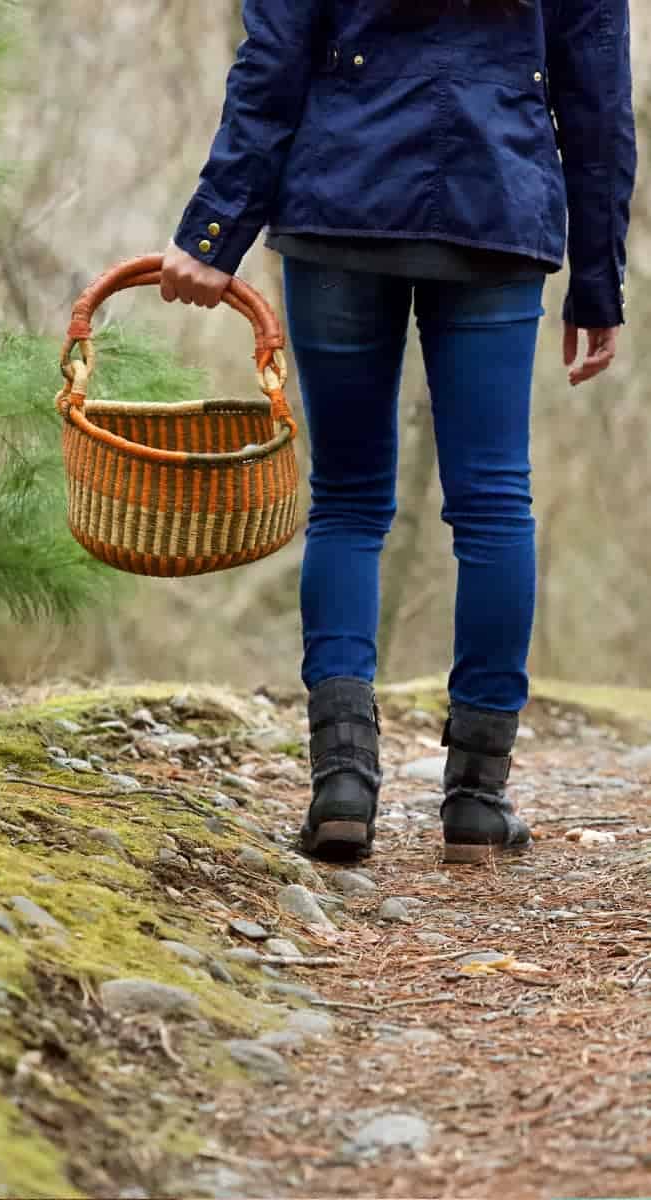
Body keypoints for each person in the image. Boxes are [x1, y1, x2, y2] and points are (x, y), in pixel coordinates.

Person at [160, 0, 636, 865]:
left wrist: (214, 230)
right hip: (497, 209)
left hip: (341, 205)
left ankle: (342, 785)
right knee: (493, 502)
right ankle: (478, 803)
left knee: (346, 502)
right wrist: (598, 277)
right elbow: (596, 91)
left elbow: (272, 58)